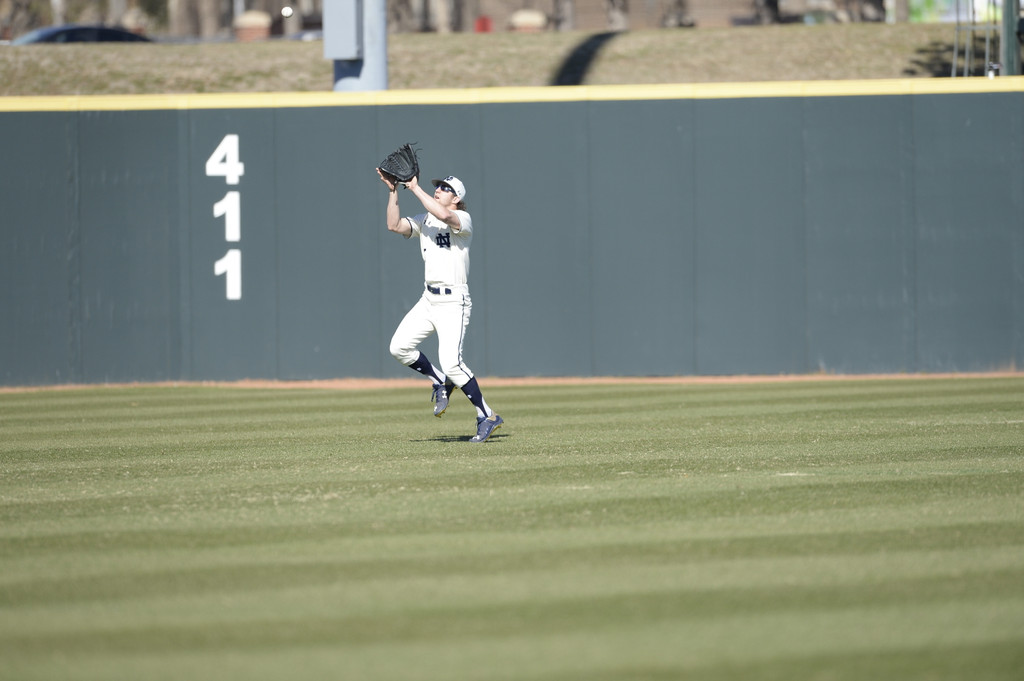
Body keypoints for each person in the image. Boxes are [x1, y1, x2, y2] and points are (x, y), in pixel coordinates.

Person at [376, 166, 504, 443]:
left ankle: (488, 416)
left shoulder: (462, 218)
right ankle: (438, 380)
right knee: (398, 347)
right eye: (438, 186)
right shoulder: (425, 220)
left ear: (456, 198)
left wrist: (414, 188)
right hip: (429, 299)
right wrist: (393, 192)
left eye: (446, 188)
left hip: (453, 302)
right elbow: (394, 225)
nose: (439, 189)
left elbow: (444, 214)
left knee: (453, 364)